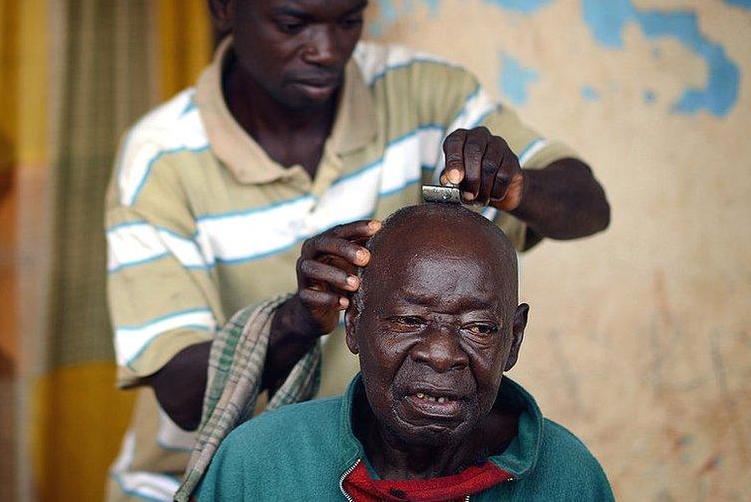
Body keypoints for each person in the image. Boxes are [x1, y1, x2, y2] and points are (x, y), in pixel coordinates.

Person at [105, 0, 610, 499]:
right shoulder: (161, 159)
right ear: (224, 6)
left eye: (348, 21)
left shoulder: (426, 93)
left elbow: (588, 206)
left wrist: (515, 185)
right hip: (208, 477)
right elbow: (180, 393)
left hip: (391, 472)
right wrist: (299, 319)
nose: (326, 51)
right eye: (294, 24)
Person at [193, 203, 614, 500]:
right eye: (408, 321)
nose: (441, 354)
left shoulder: (567, 475)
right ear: (354, 324)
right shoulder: (260, 462)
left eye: (478, 327)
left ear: (514, 339)